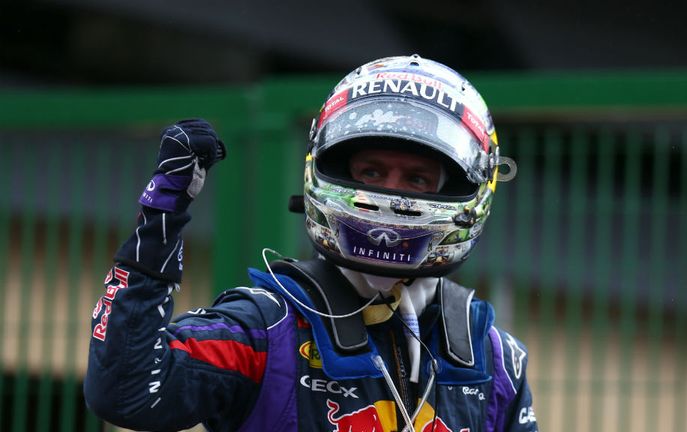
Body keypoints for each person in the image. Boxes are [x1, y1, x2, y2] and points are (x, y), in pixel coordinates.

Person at [85, 55, 538, 432]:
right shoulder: (264, 329)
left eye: (417, 179)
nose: (389, 193)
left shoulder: (493, 357)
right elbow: (126, 393)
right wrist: (158, 224)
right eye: (372, 172)